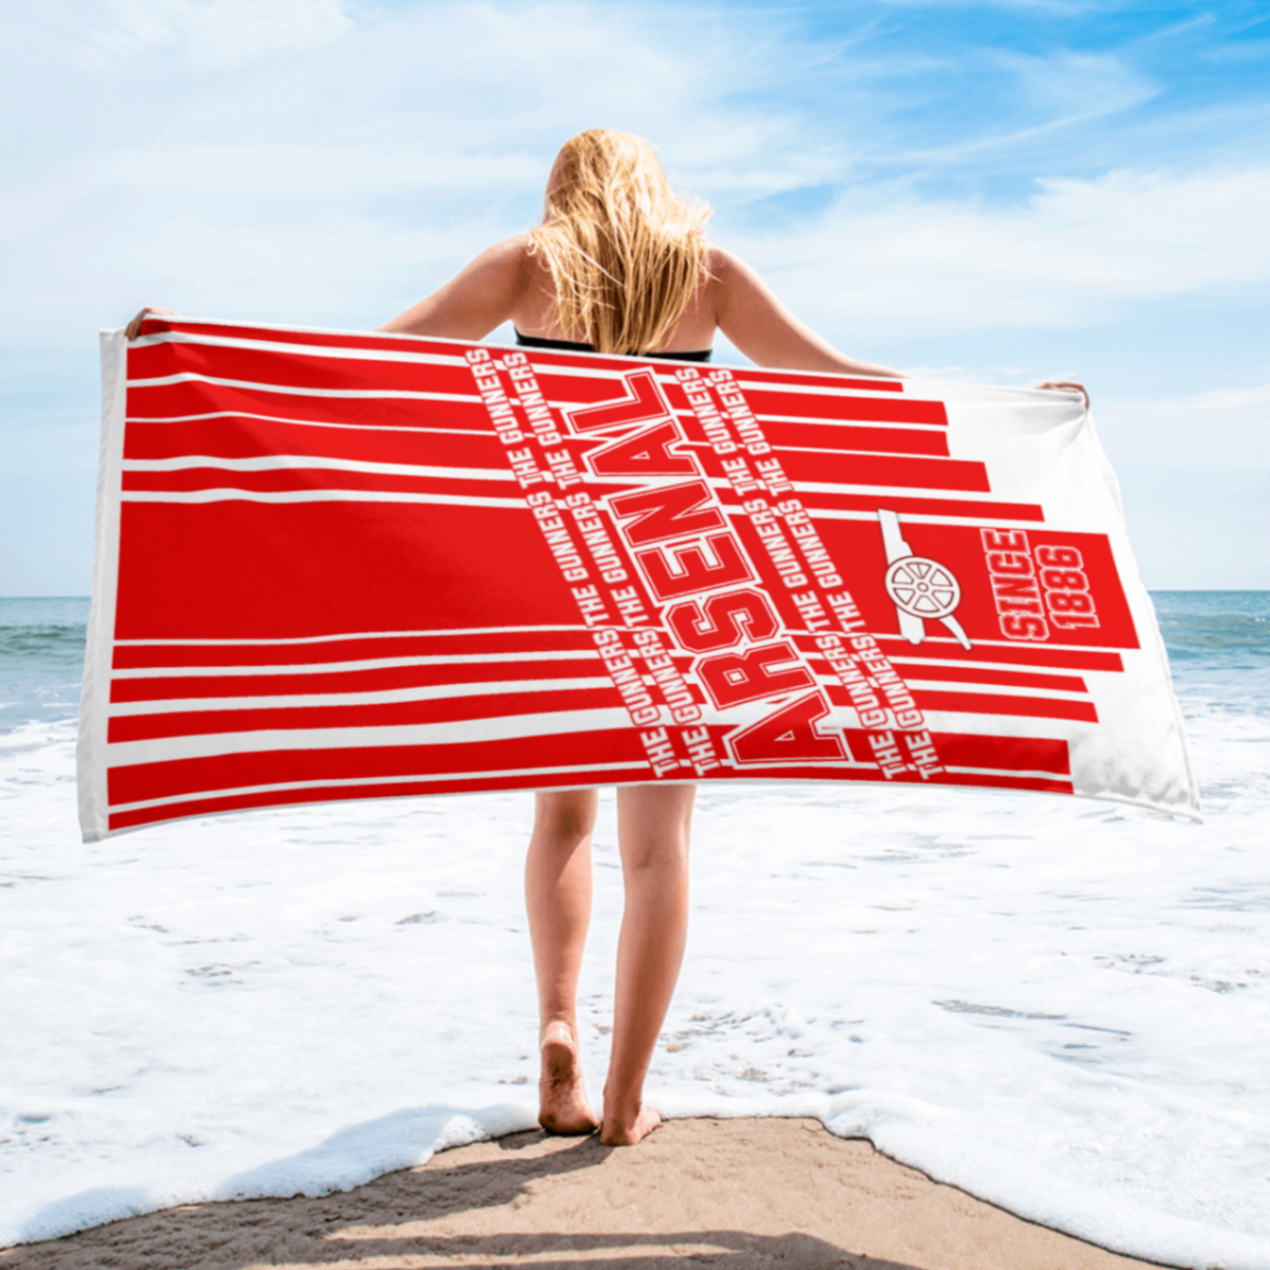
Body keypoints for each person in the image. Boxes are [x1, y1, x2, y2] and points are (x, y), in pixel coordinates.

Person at [126, 128, 1085, 1148]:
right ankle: (625, 1102)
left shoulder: (527, 265)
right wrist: (1007, 411)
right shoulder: (707, 273)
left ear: (563, 189)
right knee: (660, 850)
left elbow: (370, 362)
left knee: (562, 823)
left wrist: (199, 350)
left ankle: (555, 1032)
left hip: (551, 571)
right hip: (672, 581)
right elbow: (842, 382)